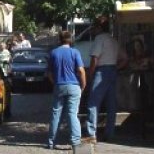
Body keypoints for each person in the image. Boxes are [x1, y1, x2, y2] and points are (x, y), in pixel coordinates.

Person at [84, 15, 127, 144]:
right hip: (112, 71)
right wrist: (116, 68)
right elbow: (125, 59)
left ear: (98, 28)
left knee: (93, 102)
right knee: (111, 104)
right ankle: (110, 132)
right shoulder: (113, 40)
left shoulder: (99, 39)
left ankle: (91, 133)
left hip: (101, 71)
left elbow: (94, 58)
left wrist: (90, 74)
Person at [47, 31, 86, 151]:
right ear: (70, 40)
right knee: (72, 114)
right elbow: (81, 70)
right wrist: (83, 85)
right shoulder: (75, 52)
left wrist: (56, 83)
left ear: (59, 40)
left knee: (56, 114)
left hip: (59, 85)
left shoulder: (53, 53)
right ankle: (75, 142)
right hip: (74, 86)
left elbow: (49, 73)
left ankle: (51, 142)